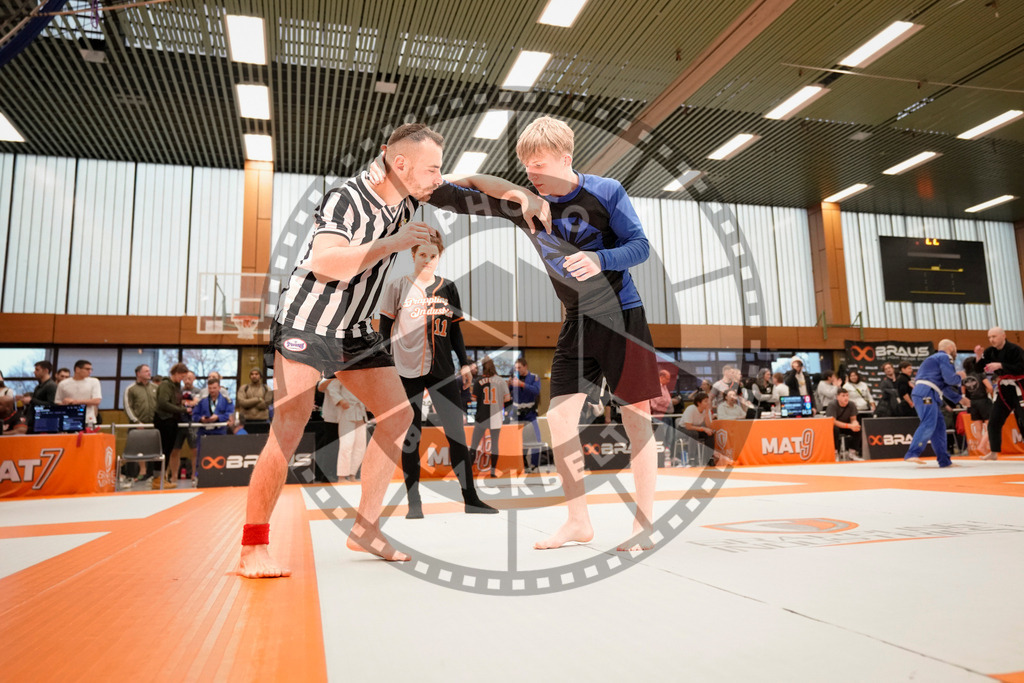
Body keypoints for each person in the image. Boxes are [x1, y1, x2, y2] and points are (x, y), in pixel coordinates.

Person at [238, 122, 548, 578]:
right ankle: (253, 546)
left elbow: (473, 186)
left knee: (398, 416)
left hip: (355, 331)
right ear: (399, 164)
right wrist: (395, 242)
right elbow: (324, 260)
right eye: (431, 168)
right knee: (288, 426)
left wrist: (523, 197)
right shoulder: (347, 198)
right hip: (308, 321)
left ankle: (365, 527)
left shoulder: (415, 190)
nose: (437, 176)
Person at [426, 115, 663, 551]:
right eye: (526, 166)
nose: (531, 174)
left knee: (636, 419)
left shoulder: (606, 191)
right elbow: (452, 197)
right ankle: (578, 521)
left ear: (565, 158)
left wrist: (600, 260)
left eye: (539, 164)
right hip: (576, 322)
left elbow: (640, 247)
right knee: (557, 418)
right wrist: (432, 173)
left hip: (621, 317)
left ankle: (644, 522)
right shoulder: (528, 206)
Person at [378, 229, 496, 517]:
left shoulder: (448, 288)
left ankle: (470, 498)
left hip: (443, 370)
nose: (428, 260)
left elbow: (455, 331)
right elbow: (383, 331)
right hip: (406, 371)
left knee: (456, 434)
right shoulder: (397, 287)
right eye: (423, 255)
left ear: (439, 257)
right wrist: (385, 366)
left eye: (433, 255)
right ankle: (414, 502)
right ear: (413, 255)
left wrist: (466, 362)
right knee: (412, 435)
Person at [905, 340, 969, 467]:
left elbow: (944, 386)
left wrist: (959, 399)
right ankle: (912, 453)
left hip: (928, 392)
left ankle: (944, 460)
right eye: (955, 349)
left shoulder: (934, 360)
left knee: (939, 427)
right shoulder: (945, 357)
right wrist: (960, 376)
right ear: (951, 347)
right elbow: (950, 379)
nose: (955, 353)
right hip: (926, 392)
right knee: (929, 422)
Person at [979, 326, 1024, 461]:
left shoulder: (1015, 350)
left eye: (994, 336)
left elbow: (1022, 367)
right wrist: (977, 357)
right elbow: (978, 368)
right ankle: (994, 452)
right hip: (1004, 390)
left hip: (1019, 388)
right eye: (989, 337)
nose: (991, 340)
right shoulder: (989, 352)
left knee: (1022, 420)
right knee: (994, 421)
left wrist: (1001, 365)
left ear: (1003, 336)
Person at [319, 377, 368, 482]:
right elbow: (330, 388)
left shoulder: (363, 375)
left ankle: (352, 474)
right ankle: (342, 476)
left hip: (361, 411)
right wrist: (341, 401)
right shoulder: (341, 373)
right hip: (346, 411)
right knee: (346, 444)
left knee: (360, 446)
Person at [469, 357, 511, 479]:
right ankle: (492, 472)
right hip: (496, 418)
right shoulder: (501, 381)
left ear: (483, 368)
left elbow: (473, 399)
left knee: (474, 445)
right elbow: (507, 399)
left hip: (481, 417)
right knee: (494, 445)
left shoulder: (478, 381)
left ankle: (469, 472)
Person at [154, 363, 191, 488]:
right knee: (163, 449)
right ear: (175, 373)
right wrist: (182, 410)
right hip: (164, 420)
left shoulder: (176, 387)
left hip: (173, 420)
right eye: (182, 375)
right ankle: (157, 478)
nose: (183, 379)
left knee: (168, 450)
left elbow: (175, 402)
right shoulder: (165, 385)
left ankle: (163, 477)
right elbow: (163, 403)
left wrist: (182, 408)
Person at [125, 364, 159, 481]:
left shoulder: (155, 387)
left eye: (149, 371)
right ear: (138, 374)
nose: (149, 373)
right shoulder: (131, 389)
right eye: (146, 371)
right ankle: (140, 472)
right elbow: (127, 407)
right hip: (139, 424)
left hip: (154, 424)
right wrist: (136, 422)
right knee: (139, 449)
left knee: (154, 449)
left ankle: (154, 474)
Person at [510, 358, 543, 471]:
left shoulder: (534, 377)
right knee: (517, 440)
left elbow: (536, 390)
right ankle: (521, 463)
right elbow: (508, 393)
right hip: (516, 413)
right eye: (516, 368)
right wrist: (509, 384)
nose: (517, 370)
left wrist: (522, 384)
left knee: (536, 439)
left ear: (525, 366)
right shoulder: (514, 378)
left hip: (530, 413)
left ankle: (534, 465)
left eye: (519, 367)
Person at [54, 359, 102, 427]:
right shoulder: (63, 384)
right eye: (87, 369)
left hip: (87, 419)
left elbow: (97, 400)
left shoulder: (94, 382)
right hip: (69, 419)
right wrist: (66, 404)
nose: (90, 371)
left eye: (91, 369)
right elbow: (57, 401)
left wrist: (74, 402)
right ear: (77, 369)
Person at [678, 391, 718, 466]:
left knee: (710, 434)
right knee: (694, 434)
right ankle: (692, 459)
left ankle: (709, 459)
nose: (708, 403)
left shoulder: (707, 411)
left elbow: (709, 426)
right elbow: (688, 426)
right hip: (683, 429)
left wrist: (706, 414)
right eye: (705, 401)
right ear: (699, 403)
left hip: (696, 428)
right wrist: (703, 429)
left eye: (708, 401)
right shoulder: (691, 409)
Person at [961, 356, 993, 451]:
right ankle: (987, 446)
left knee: (978, 428)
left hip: (973, 403)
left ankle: (982, 448)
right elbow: (990, 387)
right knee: (990, 425)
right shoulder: (980, 374)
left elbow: (963, 393)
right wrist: (987, 393)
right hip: (983, 401)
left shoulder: (965, 378)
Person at [17, 361, 58, 431]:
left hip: (42, 423)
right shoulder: (39, 386)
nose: (34, 372)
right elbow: (38, 399)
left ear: (46, 371)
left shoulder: (51, 386)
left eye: (37, 370)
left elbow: (52, 405)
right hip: (34, 420)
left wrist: (31, 400)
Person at [826, 389, 863, 461]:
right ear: (837, 397)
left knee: (858, 429)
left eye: (847, 395)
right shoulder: (832, 405)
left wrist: (855, 424)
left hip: (847, 426)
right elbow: (833, 421)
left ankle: (852, 452)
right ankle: (835, 453)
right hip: (836, 426)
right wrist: (850, 426)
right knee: (834, 429)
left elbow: (853, 419)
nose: (846, 398)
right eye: (843, 396)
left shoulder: (851, 404)